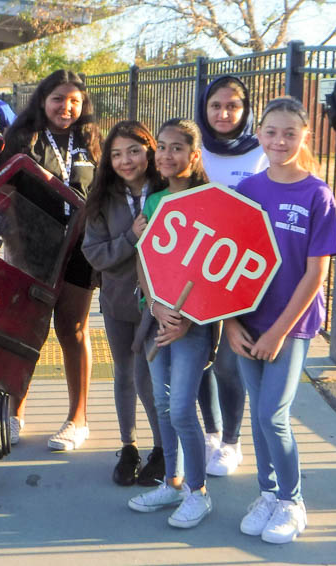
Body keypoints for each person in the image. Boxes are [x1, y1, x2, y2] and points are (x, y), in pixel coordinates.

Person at [225, 97, 336, 544]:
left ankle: (292, 501)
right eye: (272, 132)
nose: (279, 141)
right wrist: (231, 324)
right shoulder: (249, 190)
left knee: (274, 414)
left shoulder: (317, 194)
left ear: (304, 137)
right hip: (247, 322)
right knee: (259, 416)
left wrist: (277, 332)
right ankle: (268, 493)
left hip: (290, 325)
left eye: (290, 133)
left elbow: (316, 273)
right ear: (260, 135)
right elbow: (229, 264)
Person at [0, 69, 102, 450]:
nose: (66, 107)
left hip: (81, 251)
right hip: (30, 249)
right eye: (58, 98)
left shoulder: (92, 141)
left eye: (75, 100)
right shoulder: (23, 138)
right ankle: (13, 413)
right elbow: (1, 191)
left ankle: (78, 418)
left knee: (72, 329)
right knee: (25, 330)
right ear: (43, 100)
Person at [128, 118, 215, 529]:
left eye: (176, 148)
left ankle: (197, 492)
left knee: (182, 408)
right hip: (159, 317)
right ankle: (172, 481)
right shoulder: (153, 201)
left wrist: (184, 320)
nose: (166, 155)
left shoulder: (212, 201)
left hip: (192, 326)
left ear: (193, 156)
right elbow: (145, 261)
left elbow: (217, 275)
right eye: (161, 146)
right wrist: (156, 307)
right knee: (162, 405)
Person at [82, 120, 165, 486]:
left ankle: (163, 449)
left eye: (134, 151)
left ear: (149, 150)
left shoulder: (170, 190)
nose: (126, 160)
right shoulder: (102, 199)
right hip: (117, 301)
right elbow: (95, 254)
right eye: (116, 154)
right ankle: (128, 445)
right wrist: (130, 238)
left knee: (151, 378)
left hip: (160, 303)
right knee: (124, 374)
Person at [195, 75, 269, 476]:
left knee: (228, 363)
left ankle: (231, 442)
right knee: (202, 360)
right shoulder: (195, 148)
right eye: (215, 106)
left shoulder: (261, 151)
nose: (223, 114)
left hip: (245, 274)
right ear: (204, 109)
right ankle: (211, 432)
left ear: (245, 110)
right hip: (197, 271)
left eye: (233, 106)